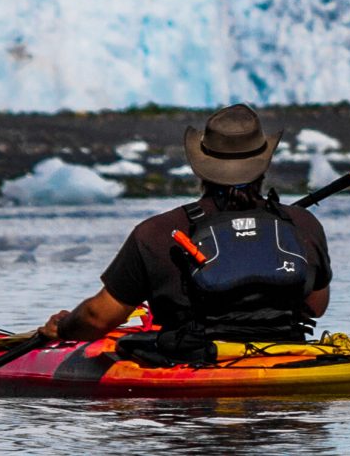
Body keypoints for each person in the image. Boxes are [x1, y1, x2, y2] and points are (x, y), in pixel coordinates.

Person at [25, 105, 333, 360]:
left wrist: (63, 328)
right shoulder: (303, 224)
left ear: (200, 168)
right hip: (286, 357)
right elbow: (315, 307)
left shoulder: (157, 232)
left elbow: (97, 319)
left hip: (194, 361)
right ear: (263, 165)